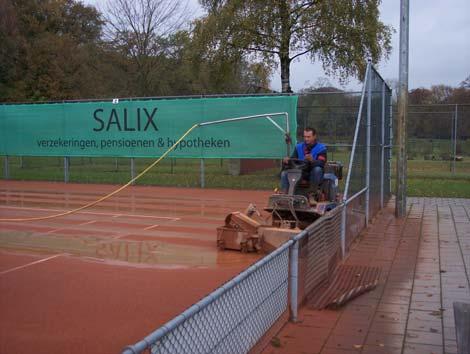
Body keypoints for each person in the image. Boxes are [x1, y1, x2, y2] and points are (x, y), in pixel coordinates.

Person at [280, 127, 327, 194]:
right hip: (300, 172)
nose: (306, 139)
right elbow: (293, 159)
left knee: (317, 169)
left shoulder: (321, 148)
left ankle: (312, 194)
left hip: (312, 173)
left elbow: (321, 163)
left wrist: (312, 160)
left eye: (308, 137)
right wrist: (287, 160)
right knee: (284, 173)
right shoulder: (298, 147)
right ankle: (284, 194)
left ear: (314, 136)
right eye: (305, 137)